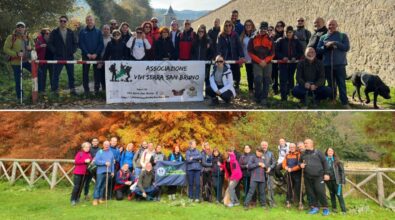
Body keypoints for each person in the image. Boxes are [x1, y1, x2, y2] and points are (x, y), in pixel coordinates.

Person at [316, 19, 351, 108]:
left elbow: (346, 48)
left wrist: (335, 43)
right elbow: (318, 50)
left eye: (333, 25)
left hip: (340, 64)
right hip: (327, 65)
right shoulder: (323, 37)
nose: (331, 26)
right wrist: (326, 47)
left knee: (341, 84)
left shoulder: (342, 36)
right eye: (329, 25)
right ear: (327, 26)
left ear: (337, 25)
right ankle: (332, 99)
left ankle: (344, 102)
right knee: (331, 84)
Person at [47, 16, 78, 97]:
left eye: (64, 21)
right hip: (58, 57)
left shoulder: (71, 32)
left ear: (67, 22)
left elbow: (75, 43)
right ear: (59, 22)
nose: (63, 22)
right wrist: (55, 51)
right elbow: (49, 43)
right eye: (61, 21)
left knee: (71, 75)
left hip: (69, 57)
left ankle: (72, 91)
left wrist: (73, 51)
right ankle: (54, 92)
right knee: (55, 75)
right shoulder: (54, 32)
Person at [3, 22, 34, 101]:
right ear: (16, 28)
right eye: (18, 27)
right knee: (18, 79)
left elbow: (33, 47)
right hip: (16, 62)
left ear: (25, 28)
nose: (20, 28)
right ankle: (20, 97)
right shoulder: (11, 37)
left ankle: (36, 93)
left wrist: (30, 48)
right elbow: (6, 49)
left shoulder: (28, 37)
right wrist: (16, 54)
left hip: (27, 61)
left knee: (38, 72)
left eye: (22, 27)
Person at [299, 139, 330, 216]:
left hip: (318, 176)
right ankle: (314, 208)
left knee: (320, 192)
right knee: (310, 193)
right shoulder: (303, 154)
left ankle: (325, 208)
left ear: (311, 144)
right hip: (307, 177)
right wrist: (300, 165)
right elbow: (299, 162)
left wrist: (326, 173)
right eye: (304, 143)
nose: (305, 144)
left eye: (306, 143)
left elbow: (325, 162)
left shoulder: (318, 152)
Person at [248, 21, 275, 107]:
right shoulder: (253, 39)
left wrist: (266, 61)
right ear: (258, 28)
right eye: (261, 28)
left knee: (266, 80)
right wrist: (259, 61)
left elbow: (272, 53)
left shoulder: (270, 39)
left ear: (267, 30)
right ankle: (258, 96)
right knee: (258, 80)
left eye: (265, 29)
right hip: (257, 63)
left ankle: (264, 98)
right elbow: (250, 52)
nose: (263, 30)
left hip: (267, 63)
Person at [275, 26, 304, 101]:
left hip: (293, 63)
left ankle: (291, 94)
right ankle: (283, 97)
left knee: (291, 78)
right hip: (283, 63)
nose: (288, 34)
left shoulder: (296, 41)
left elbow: (300, 52)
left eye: (290, 32)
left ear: (293, 32)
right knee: (283, 79)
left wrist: (295, 57)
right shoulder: (280, 41)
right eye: (286, 32)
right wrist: (282, 57)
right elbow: (276, 52)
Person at [79, 15, 104, 96]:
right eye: (88, 20)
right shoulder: (82, 32)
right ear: (86, 21)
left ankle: (96, 90)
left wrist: (96, 54)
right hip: (86, 56)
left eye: (91, 20)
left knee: (97, 73)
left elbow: (101, 44)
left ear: (94, 21)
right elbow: (81, 44)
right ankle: (86, 90)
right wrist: (87, 54)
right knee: (85, 73)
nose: (90, 21)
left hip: (96, 56)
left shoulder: (98, 31)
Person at [217, 20, 245, 91]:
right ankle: (227, 90)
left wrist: (241, 56)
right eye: (226, 25)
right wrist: (219, 57)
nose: (228, 27)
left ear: (232, 26)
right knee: (226, 75)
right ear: (224, 27)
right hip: (225, 59)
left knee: (236, 74)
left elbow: (239, 46)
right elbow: (219, 47)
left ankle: (236, 87)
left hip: (234, 58)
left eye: (230, 25)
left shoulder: (235, 35)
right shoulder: (220, 35)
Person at [92, 141, 115, 206]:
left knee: (104, 186)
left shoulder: (111, 152)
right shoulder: (100, 152)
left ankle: (100, 198)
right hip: (101, 171)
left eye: (108, 145)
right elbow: (96, 161)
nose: (107, 146)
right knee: (98, 185)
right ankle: (95, 199)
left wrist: (112, 171)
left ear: (109, 145)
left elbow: (112, 163)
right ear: (103, 145)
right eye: (105, 144)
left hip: (108, 171)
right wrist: (104, 163)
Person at [325, 147, 347, 213]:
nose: (330, 152)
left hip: (337, 181)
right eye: (329, 151)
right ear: (326, 152)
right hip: (328, 181)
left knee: (339, 195)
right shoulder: (324, 160)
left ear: (333, 152)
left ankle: (343, 210)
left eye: (331, 151)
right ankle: (334, 208)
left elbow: (342, 171)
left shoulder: (337, 161)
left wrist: (342, 181)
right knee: (332, 194)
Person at [191, 24, 212, 93]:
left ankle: (207, 94)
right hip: (196, 64)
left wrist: (207, 60)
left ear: (204, 32)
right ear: (197, 32)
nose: (200, 32)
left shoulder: (208, 41)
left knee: (206, 78)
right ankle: (196, 93)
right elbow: (192, 52)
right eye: (199, 31)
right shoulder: (194, 41)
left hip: (205, 63)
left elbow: (210, 52)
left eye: (202, 31)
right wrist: (194, 61)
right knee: (196, 78)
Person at [282, 143, 302, 208]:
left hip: (297, 174)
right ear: (289, 148)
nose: (292, 148)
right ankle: (288, 201)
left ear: (295, 147)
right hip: (289, 173)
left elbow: (299, 165)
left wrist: (292, 169)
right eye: (290, 147)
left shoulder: (298, 154)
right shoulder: (287, 155)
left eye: (293, 147)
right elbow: (284, 163)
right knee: (289, 188)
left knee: (298, 188)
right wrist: (286, 168)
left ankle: (300, 202)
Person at [35, 28, 54, 94]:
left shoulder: (52, 39)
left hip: (52, 61)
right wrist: (40, 46)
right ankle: (42, 91)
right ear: (43, 34)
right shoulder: (39, 40)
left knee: (53, 76)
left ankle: (53, 90)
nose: (48, 35)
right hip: (43, 61)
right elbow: (35, 49)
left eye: (49, 33)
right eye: (47, 33)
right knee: (43, 76)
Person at [240, 20, 256, 96]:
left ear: (252, 26)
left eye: (250, 25)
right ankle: (251, 90)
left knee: (256, 75)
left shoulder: (256, 35)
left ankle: (257, 89)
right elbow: (241, 48)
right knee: (249, 74)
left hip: (255, 59)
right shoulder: (242, 36)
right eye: (246, 25)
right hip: (247, 59)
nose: (248, 26)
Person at [96, 24, 112, 92]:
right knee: (102, 75)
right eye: (104, 29)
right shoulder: (99, 37)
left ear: (110, 30)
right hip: (101, 58)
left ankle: (110, 90)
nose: (106, 30)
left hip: (110, 60)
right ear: (102, 30)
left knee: (109, 75)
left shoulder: (112, 38)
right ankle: (103, 90)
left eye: (107, 29)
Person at [272, 21, 286, 95]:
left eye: (281, 26)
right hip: (274, 58)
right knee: (274, 74)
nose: (279, 27)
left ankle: (283, 90)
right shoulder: (273, 36)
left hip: (283, 58)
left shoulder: (286, 36)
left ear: (283, 27)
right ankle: (275, 89)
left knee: (282, 75)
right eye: (277, 26)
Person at [261, 141, 276, 207]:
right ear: (261, 146)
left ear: (267, 146)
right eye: (263, 145)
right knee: (262, 188)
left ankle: (271, 202)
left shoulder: (271, 153)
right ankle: (263, 202)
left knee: (270, 188)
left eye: (265, 145)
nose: (264, 146)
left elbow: (274, 162)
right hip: (261, 174)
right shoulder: (259, 153)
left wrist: (270, 167)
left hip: (270, 173)